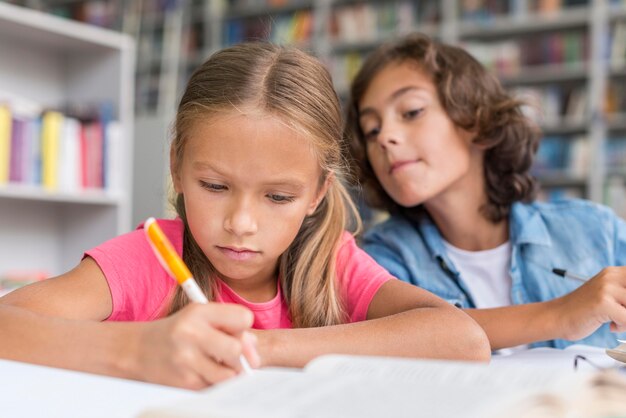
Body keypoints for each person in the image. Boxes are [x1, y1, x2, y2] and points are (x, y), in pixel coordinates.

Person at [0, 42, 489, 389]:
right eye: (214, 186)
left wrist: (259, 348)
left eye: (278, 197)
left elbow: (463, 340)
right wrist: (136, 349)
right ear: (177, 165)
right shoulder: (151, 258)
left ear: (319, 190)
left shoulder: (330, 262)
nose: (241, 223)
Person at [345, 33, 626, 352]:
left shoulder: (595, 229)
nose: (385, 137)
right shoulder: (379, 257)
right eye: (372, 130)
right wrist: (561, 313)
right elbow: (406, 337)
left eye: (411, 112)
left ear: (476, 120)